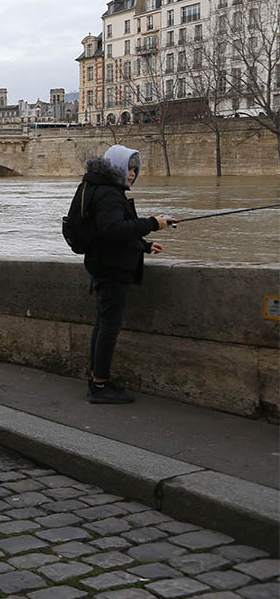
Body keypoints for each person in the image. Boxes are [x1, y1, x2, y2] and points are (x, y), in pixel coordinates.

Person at [82, 144, 176, 404]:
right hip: (112, 268)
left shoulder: (98, 188)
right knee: (109, 327)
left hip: (104, 263)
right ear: (117, 167)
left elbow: (109, 233)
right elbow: (113, 230)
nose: (133, 174)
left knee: (103, 325)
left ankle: (96, 378)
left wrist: (143, 245)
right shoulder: (110, 194)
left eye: (136, 169)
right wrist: (152, 224)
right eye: (129, 168)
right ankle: (100, 386)